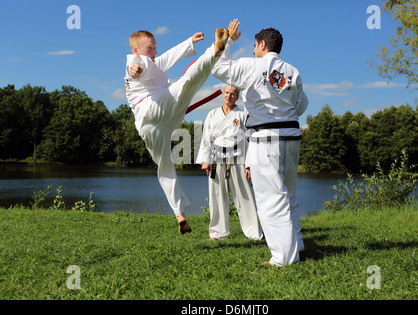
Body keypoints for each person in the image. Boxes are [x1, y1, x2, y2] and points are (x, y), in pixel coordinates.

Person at [212, 20, 308, 266]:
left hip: (265, 138)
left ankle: (284, 258)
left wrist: (229, 41)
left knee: (271, 198)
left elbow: (219, 68)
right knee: (289, 193)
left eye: (255, 45)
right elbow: (302, 105)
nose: (253, 49)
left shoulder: (252, 66)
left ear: (262, 44)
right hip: (291, 137)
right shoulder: (292, 71)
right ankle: (297, 244)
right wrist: (283, 112)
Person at [124, 26, 230, 234]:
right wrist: (134, 70)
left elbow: (170, 55)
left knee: (165, 166)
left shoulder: (155, 62)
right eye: (149, 48)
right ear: (136, 50)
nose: (154, 51)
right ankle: (214, 51)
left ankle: (179, 214)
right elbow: (135, 67)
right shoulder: (137, 61)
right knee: (187, 82)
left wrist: (189, 42)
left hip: (151, 128)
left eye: (155, 47)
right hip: (153, 108)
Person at [196, 84, 264, 241]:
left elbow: (249, 141)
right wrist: (205, 160)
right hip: (216, 159)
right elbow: (206, 138)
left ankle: (253, 233)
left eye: (233, 94)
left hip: (238, 159)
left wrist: (249, 165)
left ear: (237, 97)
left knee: (245, 196)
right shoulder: (212, 114)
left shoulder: (242, 115)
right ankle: (217, 233)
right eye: (227, 92)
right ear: (223, 94)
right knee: (217, 197)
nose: (229, 96)